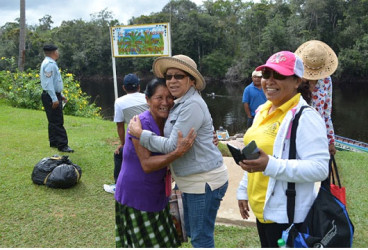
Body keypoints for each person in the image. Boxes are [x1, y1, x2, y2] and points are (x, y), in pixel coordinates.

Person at [128, 54, 229, 248]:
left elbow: (173, 145)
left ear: (191, 80)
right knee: (192, 232)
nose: (172, 80)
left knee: (201, 237)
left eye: (179, 76)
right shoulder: (179, 103)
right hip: (191, 181)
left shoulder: (191, 104)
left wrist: (140, 134)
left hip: (203, 182)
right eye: (169, 76)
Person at [236, 51, 330, 247]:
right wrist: (244, 190)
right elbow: (257, 155)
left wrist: (270, 165)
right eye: (267, 74)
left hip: (287, 216)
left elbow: (320, 169)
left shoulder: (305, 117)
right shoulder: (263, 110)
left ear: (297, 81)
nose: (269, 81)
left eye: (278, 75)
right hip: (263, 210)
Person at [114, 78, 196, 248]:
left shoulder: (169, 121)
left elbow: (185, 139)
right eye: (159, 98)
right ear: (147, 100)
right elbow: (147, 164)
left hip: (158, 192)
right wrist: (177, 153)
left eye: (169, 97)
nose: (165, 103)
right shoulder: (141, 124)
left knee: (166, 242)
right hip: (137, 194)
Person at [104, 73, 148, 194]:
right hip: (152, 137)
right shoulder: (147, 97)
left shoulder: (119, 102)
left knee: (119, 154)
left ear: (124, 88)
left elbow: (119, 125)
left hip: (136, 140)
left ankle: (118, 185)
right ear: (139, 86)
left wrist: (123, 144)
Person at [295, 40, 339, 155]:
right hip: (296, 133)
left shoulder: (326, 80)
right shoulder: (294, 80)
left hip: (318, 134)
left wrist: (331, 141)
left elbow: (326, 113)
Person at [40, 44, 73, 153]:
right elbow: (48, 83)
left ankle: (53, 141)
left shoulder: (49, 63)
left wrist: (61, 95)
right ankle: (63, 145)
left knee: (52, 120)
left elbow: (55, 82)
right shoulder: (50, 64)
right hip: (51, 96)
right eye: (57, 51)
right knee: (58, 121)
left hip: (52, 94)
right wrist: (54, 98)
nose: (58, 53)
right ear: (54, 52)